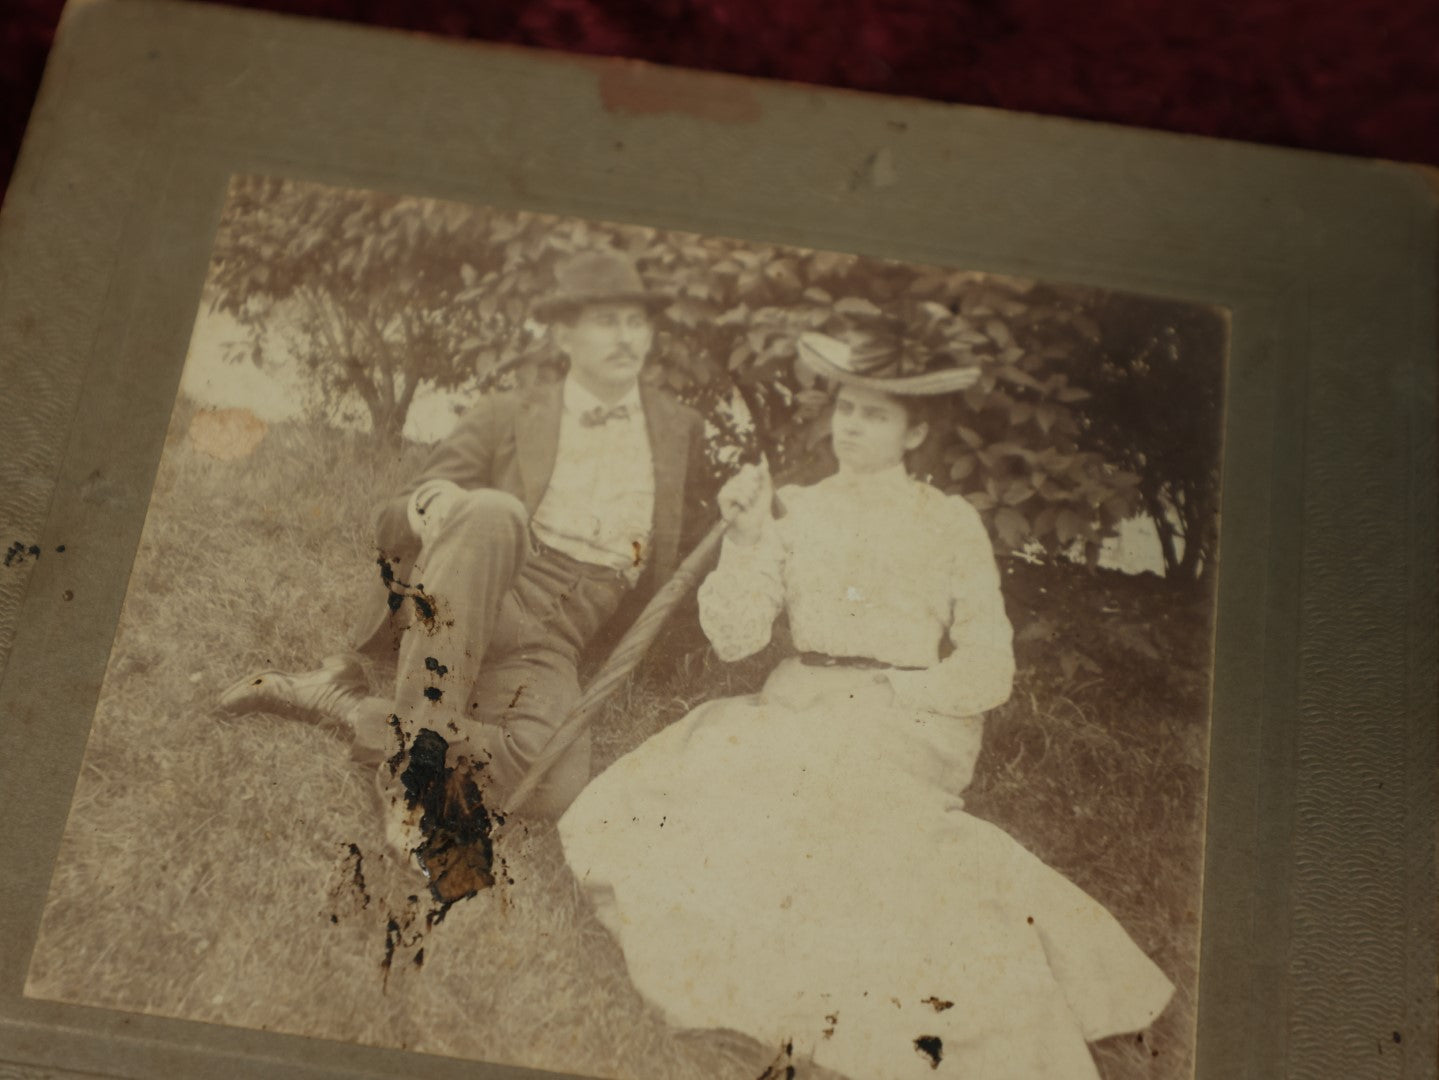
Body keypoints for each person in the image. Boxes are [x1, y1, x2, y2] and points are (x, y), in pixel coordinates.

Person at [557, 333, 1174, 1080]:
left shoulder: (949, 524)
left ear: (914, 430)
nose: (851, 425)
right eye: (847, 408)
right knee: (697, 803)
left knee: (859, 833)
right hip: (794, 702)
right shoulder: (794, 509)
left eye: (874, 415)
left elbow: (989, 663)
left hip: (904, 716)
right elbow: (734, 640)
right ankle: (741, 1008)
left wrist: (903, 690)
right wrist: (748, 541)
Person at [218, 249, 709, 891]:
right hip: (479, 593)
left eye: (636, 322)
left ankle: (349, 702)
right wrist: (437, 507)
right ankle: (416, 780)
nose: (626, 338)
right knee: (494, 512)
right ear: (564, 334)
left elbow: (687, 548)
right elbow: (395, 518)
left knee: (554, 778)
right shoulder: (509, 413)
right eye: (606, 321)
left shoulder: (677, 430)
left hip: (553, 644)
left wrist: (748, 521)